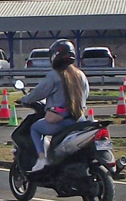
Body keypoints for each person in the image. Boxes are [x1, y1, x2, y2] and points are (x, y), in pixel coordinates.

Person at [19, 40, 90, 173]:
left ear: (54, 56)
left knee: (35, 128)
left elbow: (39, 92)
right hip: (79, 120)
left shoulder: (54, 75)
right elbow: (86, 95)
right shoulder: (81, 75)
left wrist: (25, 99)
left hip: (61, 122)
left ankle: (42, 159)